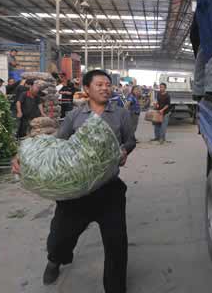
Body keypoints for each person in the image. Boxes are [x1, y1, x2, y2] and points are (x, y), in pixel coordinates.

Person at [18, 70, 135, 292]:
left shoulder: (121, 114)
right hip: (76, 190)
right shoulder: (75, 115)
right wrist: (25, 159)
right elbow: (58, 143)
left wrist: (124, 150)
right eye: (99, 84)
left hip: (108, 188)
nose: (105, 88)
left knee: (116, 242)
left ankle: (115, 287)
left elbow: (130, 140)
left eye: (108, 84)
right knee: (61, 236)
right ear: (87, 89)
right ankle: (55, 260)